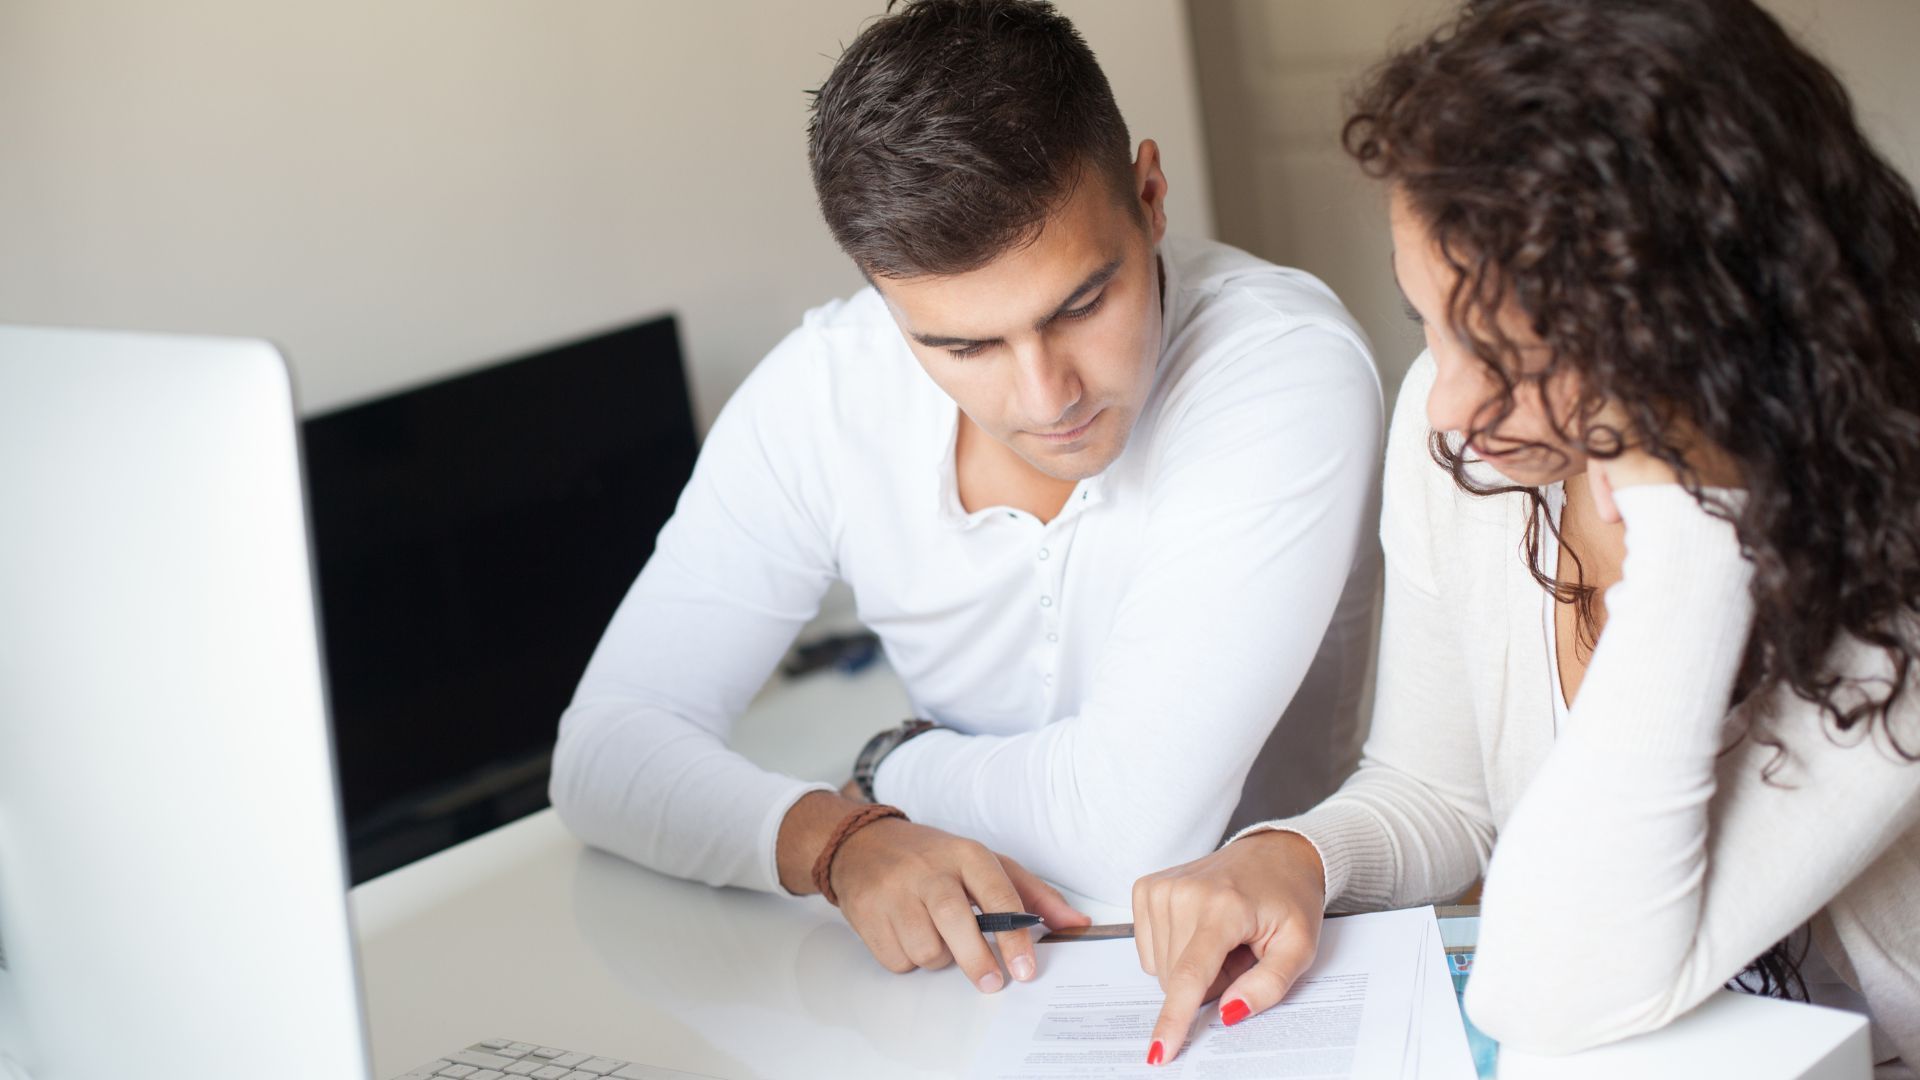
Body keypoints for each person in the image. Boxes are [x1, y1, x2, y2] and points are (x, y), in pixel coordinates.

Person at [1129, 0, 1920, 1070]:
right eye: (1431, 327)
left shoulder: (1888, 529)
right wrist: (1298, 857)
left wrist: (1689, 530)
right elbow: (1441, 789)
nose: (1447, 405)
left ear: (1697, 328)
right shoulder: (1479, 445)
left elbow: (1552, 985)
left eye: (1507, 354)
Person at [549, 0, 1385, 998]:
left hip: (1284, 991)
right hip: (965, 991)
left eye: (1081, 304)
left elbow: (1129, 834)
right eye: (962, 346)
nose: (1048, 396)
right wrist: (840, 842)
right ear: (880, 292)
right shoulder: (827, 391)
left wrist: (890, 768)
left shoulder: (1279, 364)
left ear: (1151, 195)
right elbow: (602, 751)